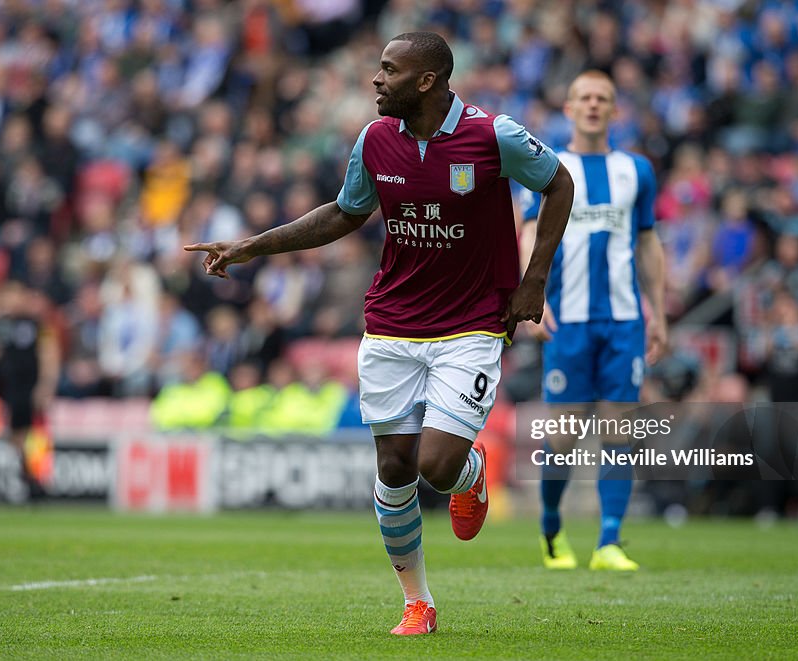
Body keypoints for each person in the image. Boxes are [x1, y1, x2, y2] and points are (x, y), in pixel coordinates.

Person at [186, 31, 573, 635]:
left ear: (427, 81)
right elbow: (344, 212)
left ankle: (468, 475)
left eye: (388, 71)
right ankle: (417, 602)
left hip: (472, 322)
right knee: (395, 468)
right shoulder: (374, 140)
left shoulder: (492, 135)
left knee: (438, 465)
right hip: (392, 322)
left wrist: (534, 281)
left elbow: (559, 185)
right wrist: (252, 246)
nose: (376, 80)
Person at [520, 70, 668, 572]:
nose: (592, 105)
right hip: (570, 320)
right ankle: (551, 527)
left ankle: (610, 540)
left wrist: (659, 312)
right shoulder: (549, 165)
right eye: (583, 97)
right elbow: (527, 233)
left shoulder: (637, 171)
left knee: (619, 428)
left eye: (602, 98)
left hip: (623, 320)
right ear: (568, 107)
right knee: (563, 434)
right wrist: (532, 295)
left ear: (613, 109)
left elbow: (647, 242)